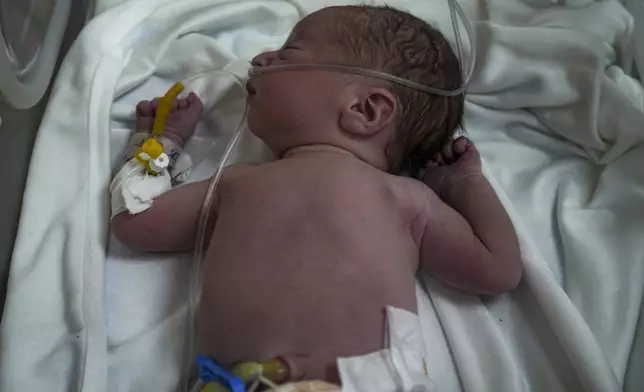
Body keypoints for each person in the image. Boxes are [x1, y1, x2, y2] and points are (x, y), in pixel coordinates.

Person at [111, 5, 522, 386]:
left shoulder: (407, 199)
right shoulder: (237, 182)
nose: (259, 60)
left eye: (287, 53)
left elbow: (497, 270)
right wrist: (161, 144)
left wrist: (464, 183)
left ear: (366, 110)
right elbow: (136, 222)